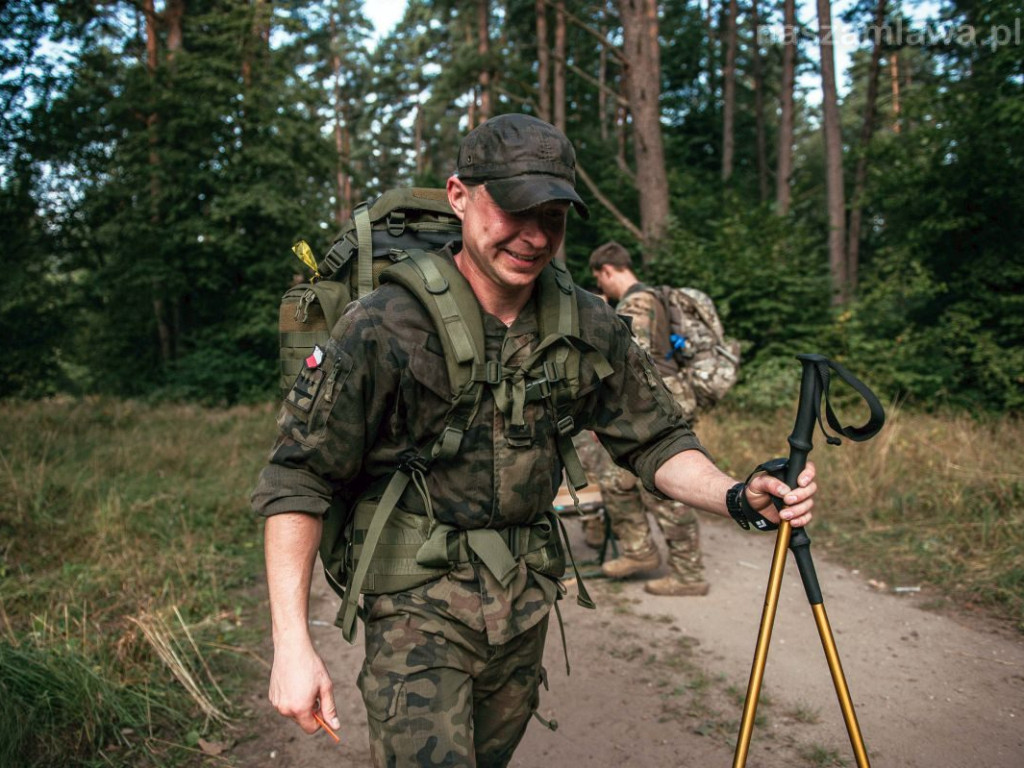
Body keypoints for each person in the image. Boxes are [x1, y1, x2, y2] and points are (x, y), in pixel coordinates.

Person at [250, 113, 817, 768]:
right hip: (414, 609)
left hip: (523, 604)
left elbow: (656, 437)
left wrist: (740, 496)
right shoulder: (383, 324)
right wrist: (292, 641)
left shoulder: (588, 322)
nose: (536, 236)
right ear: (459, 195)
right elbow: (300, 476)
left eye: (554, 215)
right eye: (515, 209)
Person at [589, 242, 718, 595]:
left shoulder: (636, 304)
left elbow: (630, 365)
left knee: (663, 486)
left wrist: (613, 416)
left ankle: (686, 574)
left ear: (607, 270)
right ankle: (640, 551)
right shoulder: (655, 297)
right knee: (619, 480)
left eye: (600, 279)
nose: (602, 289)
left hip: (656, 404)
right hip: (672, 397)